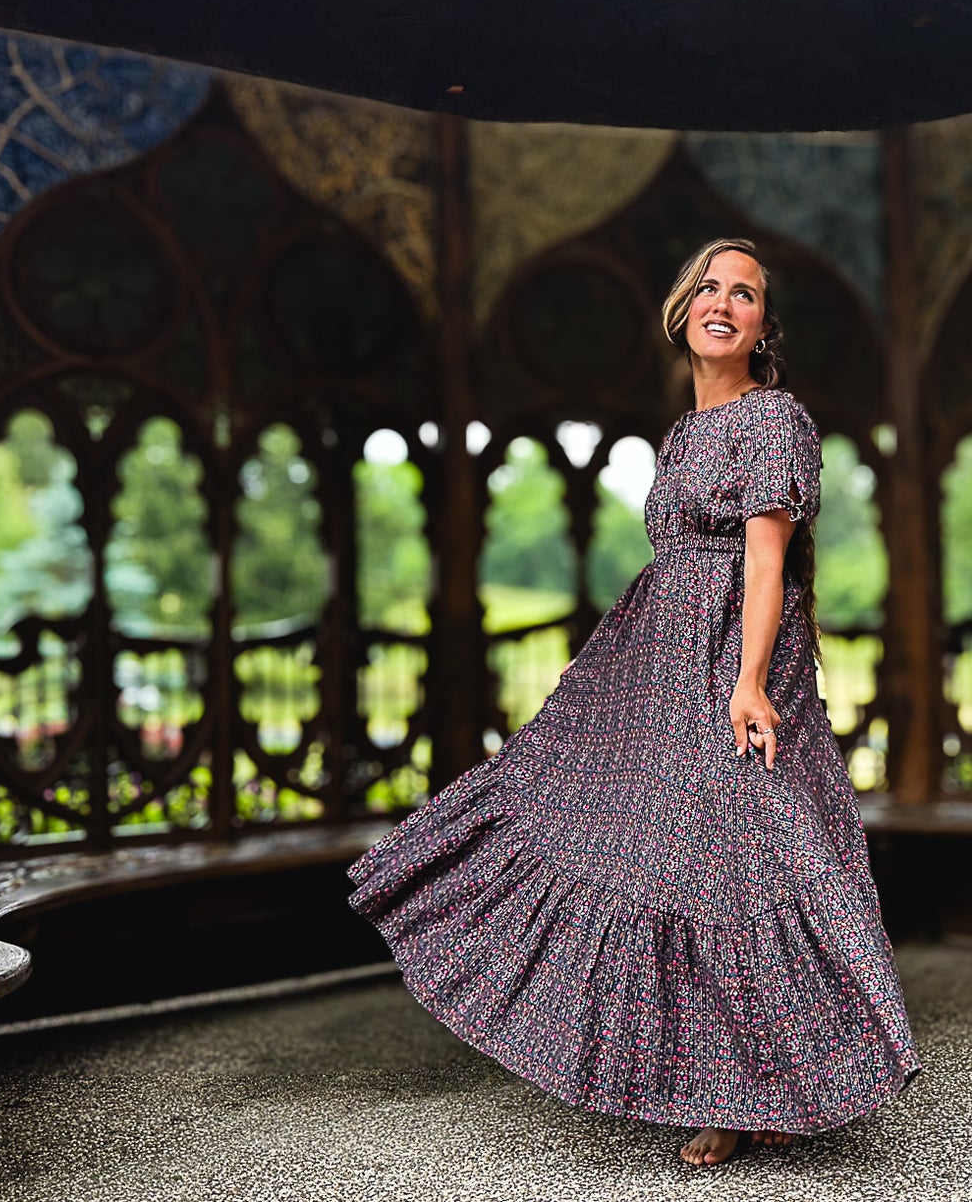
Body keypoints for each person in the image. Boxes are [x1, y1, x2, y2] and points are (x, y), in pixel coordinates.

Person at [346, 237, 921, 1166]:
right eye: (709, 286)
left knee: (749, 863)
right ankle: (727, 1085)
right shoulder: (684, 433)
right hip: (656, 665)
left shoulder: (773, 418)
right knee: (633, 845)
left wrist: (745, 680)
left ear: (765, 327)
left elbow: (766, 562)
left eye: (746, 294)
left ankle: (777, 1083)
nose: (724, 302)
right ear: (683, 308)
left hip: (734, 670)